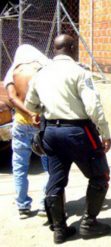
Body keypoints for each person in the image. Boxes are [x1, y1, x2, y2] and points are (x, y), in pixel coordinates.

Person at [25, 34, 111, 244]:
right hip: (78, 131)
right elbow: (93, 106)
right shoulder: (79, 72)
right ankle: (88, 224)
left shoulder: (41, 73)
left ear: (55, 49)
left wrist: (44, 109)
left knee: (56, 179)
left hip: (51, 134)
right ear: (72, 47)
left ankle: (60, 229)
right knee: (100, 176)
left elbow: (30, 105)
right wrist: (105, 133)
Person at [3, 44, 50, 219]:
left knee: (20, 166)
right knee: (49, 165)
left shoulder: (13, 72)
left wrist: (28, 114)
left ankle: (22, 206)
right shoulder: (42, 69)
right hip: (41, 123)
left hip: (21, 125)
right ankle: (46, 204)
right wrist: (35, 114)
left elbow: (11, 97)